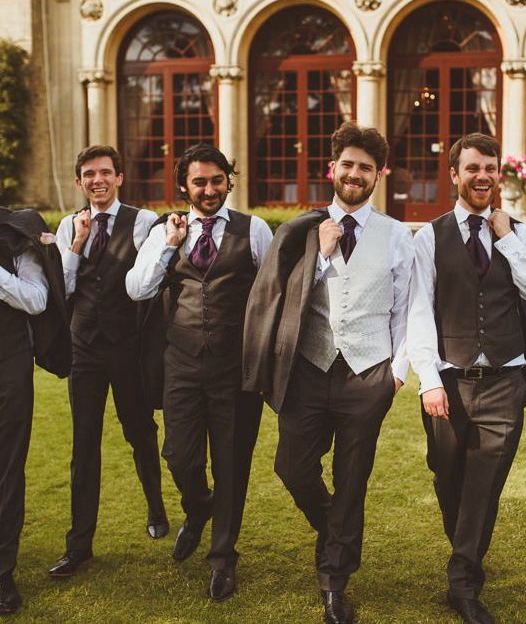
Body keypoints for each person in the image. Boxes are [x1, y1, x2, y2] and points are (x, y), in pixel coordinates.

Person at [242, 122, 414, 624]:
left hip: (369, 372)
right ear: (332, 169)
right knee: (292, 467)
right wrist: (321, 253)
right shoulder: (300, 230)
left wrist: (397, 373)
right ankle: (338, 530)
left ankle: (334, 580)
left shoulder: (397, 235)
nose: (355, 174)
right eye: (348, 165)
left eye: (366, 167)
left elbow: (406, 308)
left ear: (377, 174)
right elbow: (279, 297)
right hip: (309, 370)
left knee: (352, 477)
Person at [407, 133, 526, 623]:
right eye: (472, 168)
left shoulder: (519, 232)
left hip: (506, 379)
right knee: (449, 478)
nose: (483, 176)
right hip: (450, 379)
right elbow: (419, 311)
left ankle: (463, 581)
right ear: (454, 174)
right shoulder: (429, 236)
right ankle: (466, 557)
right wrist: (428, 379)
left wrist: (507, 237)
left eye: (490, 168)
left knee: (485, 484)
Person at [126, 143, 272, 601]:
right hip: (182, 364)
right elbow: (137, 289)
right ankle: (198, 504)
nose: (208, 189)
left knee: (231, 465)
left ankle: (223, 559)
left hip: (236, 370)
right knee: (179, 455)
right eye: (198, 182)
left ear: (230, 179)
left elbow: (272, 295)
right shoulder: (165, 230)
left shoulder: (256, 230)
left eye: (216, 179)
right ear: (184, 186)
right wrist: (169, 247)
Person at [50, 146, 168, 578]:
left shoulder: (142, 222)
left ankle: (155, 506)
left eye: (105, 173)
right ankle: (79, 544)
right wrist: (77, 243)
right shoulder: (67, 226)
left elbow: (147, 282)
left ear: (119, 178)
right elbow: (62, 289)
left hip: (127, 347)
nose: (97, 180)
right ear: (79, 183)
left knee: (139, 431)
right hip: (85, 349)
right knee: (84, 445)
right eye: (88, 174)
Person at [0, 207, 71, 613]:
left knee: (7, 468)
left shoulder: (17, 233)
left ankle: (2, 572)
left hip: (7, 366)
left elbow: (38, 299)